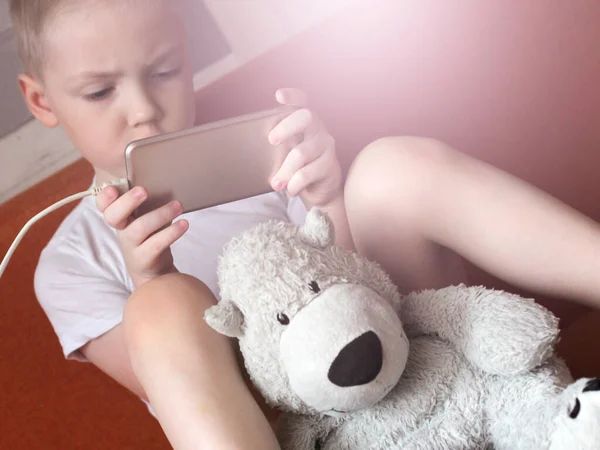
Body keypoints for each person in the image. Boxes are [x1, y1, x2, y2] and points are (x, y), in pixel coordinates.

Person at [9, 0, 600, 448]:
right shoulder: (70, 263)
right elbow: (163, 387)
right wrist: (153, 275)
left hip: (414, 364)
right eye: (101, 91)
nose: (142, 109)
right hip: (295, 427)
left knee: (389, 168)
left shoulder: (261, 154)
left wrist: (327, 194)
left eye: (164, 71)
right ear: (42, 102)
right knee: (160, 306)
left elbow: (359, 293)